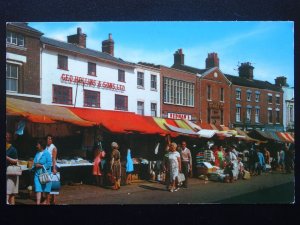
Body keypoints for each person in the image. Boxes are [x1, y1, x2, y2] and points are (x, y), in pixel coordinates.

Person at [32, 139, 52, 205]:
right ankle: (38, 203)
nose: (36, 146)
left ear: (41, 145)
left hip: (44, 174)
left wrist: (41, 166)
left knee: (46, 190)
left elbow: (49, 163)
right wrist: (34, 165)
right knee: (38, 189)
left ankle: (47, 202)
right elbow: (34, 162)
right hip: (37, 174)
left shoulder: (47, 153)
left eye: (38, 144)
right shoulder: (37, 153)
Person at [6, 131, 19, 205]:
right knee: (10, 193)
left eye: (8, 136)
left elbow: (16, 160)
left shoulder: (13, 149)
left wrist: (7, 158)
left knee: (11, 193)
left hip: (10, 172)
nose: (7, 137)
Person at [45, 134, 58, 204]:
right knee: (48, 184)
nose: (48, 140)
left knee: (54, 184)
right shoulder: (46, 147)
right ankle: (48, 200)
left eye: (50, 139)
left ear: (52, 140)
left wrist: (54, 168)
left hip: (52, 167)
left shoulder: (54, 148)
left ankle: (54, 200)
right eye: (47, 139)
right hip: (46, 167)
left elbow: (54, 159)